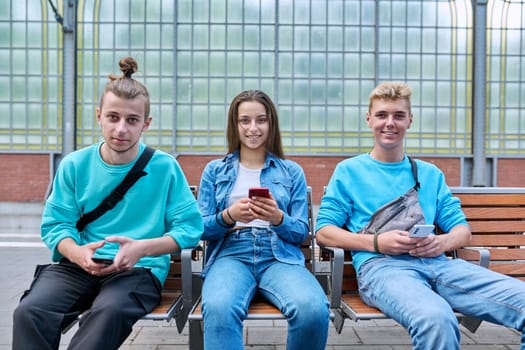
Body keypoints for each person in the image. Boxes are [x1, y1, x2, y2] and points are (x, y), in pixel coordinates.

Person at [315, 81, 525, 350]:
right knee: (436, 319)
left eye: (398, 116)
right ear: (369, 120)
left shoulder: (430, 174)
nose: (389, 123)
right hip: (382, 269)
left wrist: (442, 243)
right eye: (382, 115)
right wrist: (378, 243)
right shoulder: (349, 171)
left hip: (441, 265)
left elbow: (461, 230)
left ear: (409, 120)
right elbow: (324, 231)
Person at [12, 56, 204, 350]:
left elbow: (190, 228)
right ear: (99, 116)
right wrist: (77, 253)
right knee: (30, 312)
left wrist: (141, 248)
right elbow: (56, 225)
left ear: (146, 124)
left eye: (132, 120)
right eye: (113, 117)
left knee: (106, 315)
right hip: (78, 266)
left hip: (139, 270)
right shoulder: (75, 164)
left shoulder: (165, 167)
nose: (121, 129)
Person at [198, 90, 329, 349]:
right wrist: (228, 216)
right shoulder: (215, 170)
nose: (253, 128)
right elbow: (199, 229)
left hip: (279, 256)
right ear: (234, 125)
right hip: (231, 254)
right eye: (244, 120)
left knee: (313, 309)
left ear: (271, 124)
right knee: (219, 307)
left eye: (261, 120)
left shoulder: (291, 172)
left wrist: (277, 218)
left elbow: (302, 232)